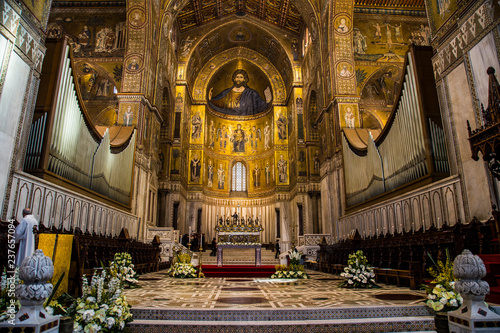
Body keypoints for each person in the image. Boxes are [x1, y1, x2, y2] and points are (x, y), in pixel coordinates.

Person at [208, 69, 272, 116]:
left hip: (249, 121)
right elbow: (218, 102)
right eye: (237, 77)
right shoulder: (227, 92)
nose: (239, 79)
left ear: (244, 79)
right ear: (234, 79)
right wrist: (211, 98)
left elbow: (261, 106)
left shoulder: (252, 93)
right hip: (229, 118)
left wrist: (268, 101)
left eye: (241, 77)